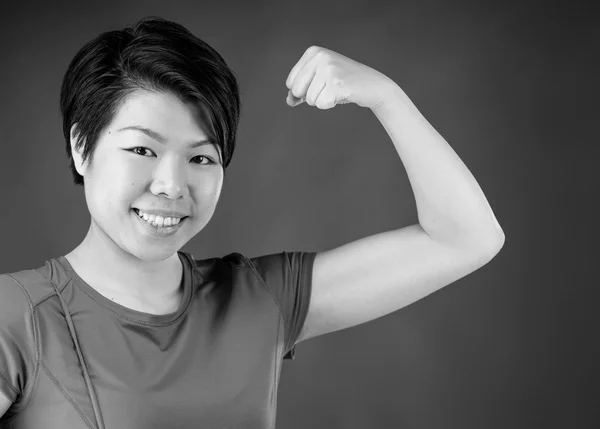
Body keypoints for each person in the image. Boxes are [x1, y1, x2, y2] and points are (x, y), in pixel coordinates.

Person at [0, 16, 505, 429]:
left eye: (201, 158)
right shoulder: (16, 317)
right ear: (81, 147)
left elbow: (466, 239)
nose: (172, 185)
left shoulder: (259, 299)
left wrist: (387, 97)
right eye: (141, 149)